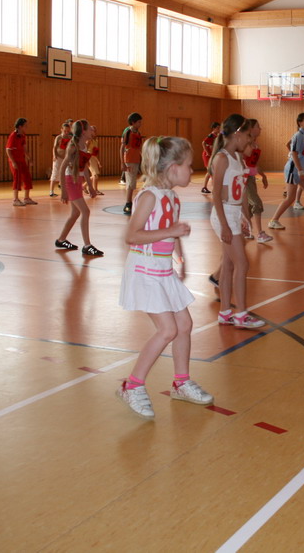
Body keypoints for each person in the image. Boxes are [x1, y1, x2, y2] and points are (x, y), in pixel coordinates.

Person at [116, 136, 213, 419]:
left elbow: (171, 229)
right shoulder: (149, 196)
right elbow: (132, 236)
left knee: (184, 324)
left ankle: (181, 383)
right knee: (168, 330)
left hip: (162, 270)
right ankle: (132, 385)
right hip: (144, 270)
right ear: (172, 168)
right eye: (189, 165)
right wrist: (172, 233)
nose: (192, 170)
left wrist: (179, 255)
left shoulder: (171, 196)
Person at [210, 114, 265, 329]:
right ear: (237, 134)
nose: (250, 141)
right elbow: (216, 194)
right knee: (242, 263)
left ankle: (225, 312)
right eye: (248, 136)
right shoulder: (222, 158)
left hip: (233, 213)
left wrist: (245, 217)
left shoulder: (238, 158)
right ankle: (241, 314)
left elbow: (240, 192)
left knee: (229, 264)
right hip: (223, 213)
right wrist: (225, 224)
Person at [55, 119, 104, 256]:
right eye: (90, 129)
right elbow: (62, 168)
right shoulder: (73, 146)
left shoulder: (84, 145)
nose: (92, 131)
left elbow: (84, 168)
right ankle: (87, 246)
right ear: (83, 132)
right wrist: (63, 190)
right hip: (70, 180)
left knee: (75, 213)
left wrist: (90, 186)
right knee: (85, 212)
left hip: (77, 180)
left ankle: (61, 240)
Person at [242, 119, 272, 243]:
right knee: (256, 203)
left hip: (251, 177)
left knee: (249, 206)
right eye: (258, 126)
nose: (260, 129)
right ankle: (260, 233)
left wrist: (263, 176)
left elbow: (255, 164)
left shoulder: (255, 144)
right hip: (244, 178)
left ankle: (244, 230)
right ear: (251, 129)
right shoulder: (245, 143)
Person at [6, 117, 36, 206]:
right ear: (20, 126)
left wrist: (29, 158)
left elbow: (24, 149)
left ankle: (26, 198)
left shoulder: (23, 135)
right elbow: (8, 150)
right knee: (17, 179)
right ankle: (15, 199)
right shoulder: (13, 136)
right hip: (15, 160)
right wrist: (13, 162)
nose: (27, 127)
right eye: (25, 126)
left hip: (22, 160)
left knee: (27, 177)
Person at [122, 112, 143, 214]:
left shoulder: (138, 133)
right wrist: (122, 163)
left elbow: (138, 148)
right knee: (130, 183)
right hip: (129, 160)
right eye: (139, 122)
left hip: (136, 160)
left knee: (133, 182)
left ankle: (130, 202)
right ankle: (128, 203)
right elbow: (122, 148)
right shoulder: (127, 132)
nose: (140, 124)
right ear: (133, 122)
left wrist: (142, 158)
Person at [49, 120, 72, 197]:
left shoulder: (70, 138)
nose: (66, 132)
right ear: (61, 129)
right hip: (58, 157)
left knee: (66, 173)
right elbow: (54, 147)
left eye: (68, 131)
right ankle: (51, 191)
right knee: (55, 173)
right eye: (65, 131)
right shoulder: (58, 137)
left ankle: (64, 190)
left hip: (66, 158)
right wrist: (54, 155)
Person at [200, 121, 219, 194]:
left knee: (211, 171)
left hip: (212, 155)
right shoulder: (211, 135)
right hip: (207, 155)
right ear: (213, 128)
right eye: (217, 128)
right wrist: (207, 152)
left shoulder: (217, 136)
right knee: (210, 171)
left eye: (219, 128)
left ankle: (206, 187)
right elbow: (203, 143)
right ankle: (207, 187)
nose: (219, 129)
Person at [88, 124, 103, 195]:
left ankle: (83, 186)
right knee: (95, 175)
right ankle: (95, 190)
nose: (94, 132)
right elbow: (86, 150)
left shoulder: (95, 140)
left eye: (95, 131)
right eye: (92, 130)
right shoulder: (89, 140)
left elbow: (94, 153)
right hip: (89, 158)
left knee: (94, 175)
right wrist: (86, 160)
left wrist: (98, 161)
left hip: (93, 158)